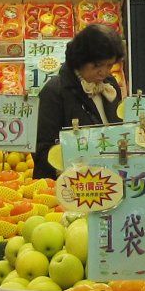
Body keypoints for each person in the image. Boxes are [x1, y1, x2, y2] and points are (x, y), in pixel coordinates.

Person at [33, 24, 125, 180]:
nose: (104, 72)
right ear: (80, 59)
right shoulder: (55, 91)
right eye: (97, 65)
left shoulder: (110, 85)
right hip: (69, 188)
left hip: (108, 181)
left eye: (109, 65)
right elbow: (42, 149)